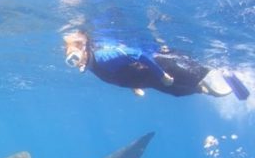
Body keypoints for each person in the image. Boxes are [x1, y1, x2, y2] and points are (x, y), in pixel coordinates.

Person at [63, 30, 250, 100]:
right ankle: (211, 87)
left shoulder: (104, 56)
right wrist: (133, 86)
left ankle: (223, 71)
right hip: (152, 79)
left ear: (85, 49)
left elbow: (139, 55)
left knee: (199, 75)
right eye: (70, 61)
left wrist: (161, 74)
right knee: (180, 92)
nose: (76, 63)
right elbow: (121, 73)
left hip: (162, 67)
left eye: (74, 57)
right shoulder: (94, 66)